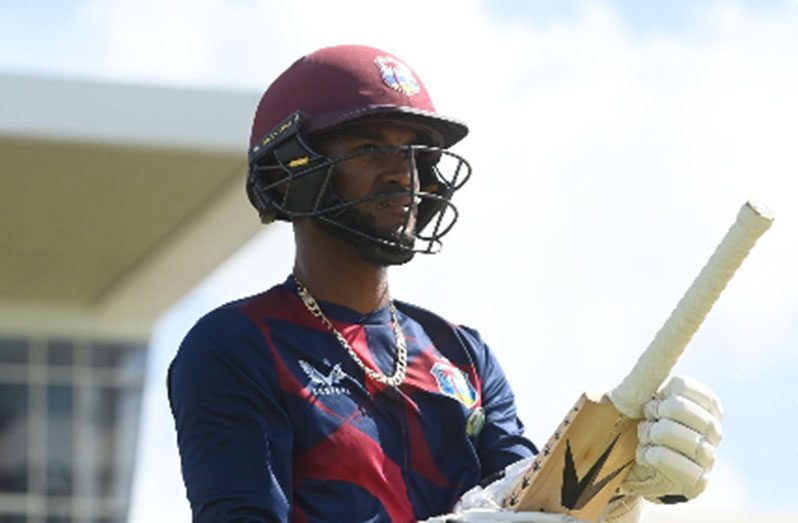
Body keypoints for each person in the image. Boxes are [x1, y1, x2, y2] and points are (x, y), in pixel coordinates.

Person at [168, 45, 723, 523]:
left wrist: (622, 482)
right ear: (293, 168)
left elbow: (527, 502)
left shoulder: (464, 354)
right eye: (368, 148)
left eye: (416, 152)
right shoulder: (235, 347)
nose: (403, 173)